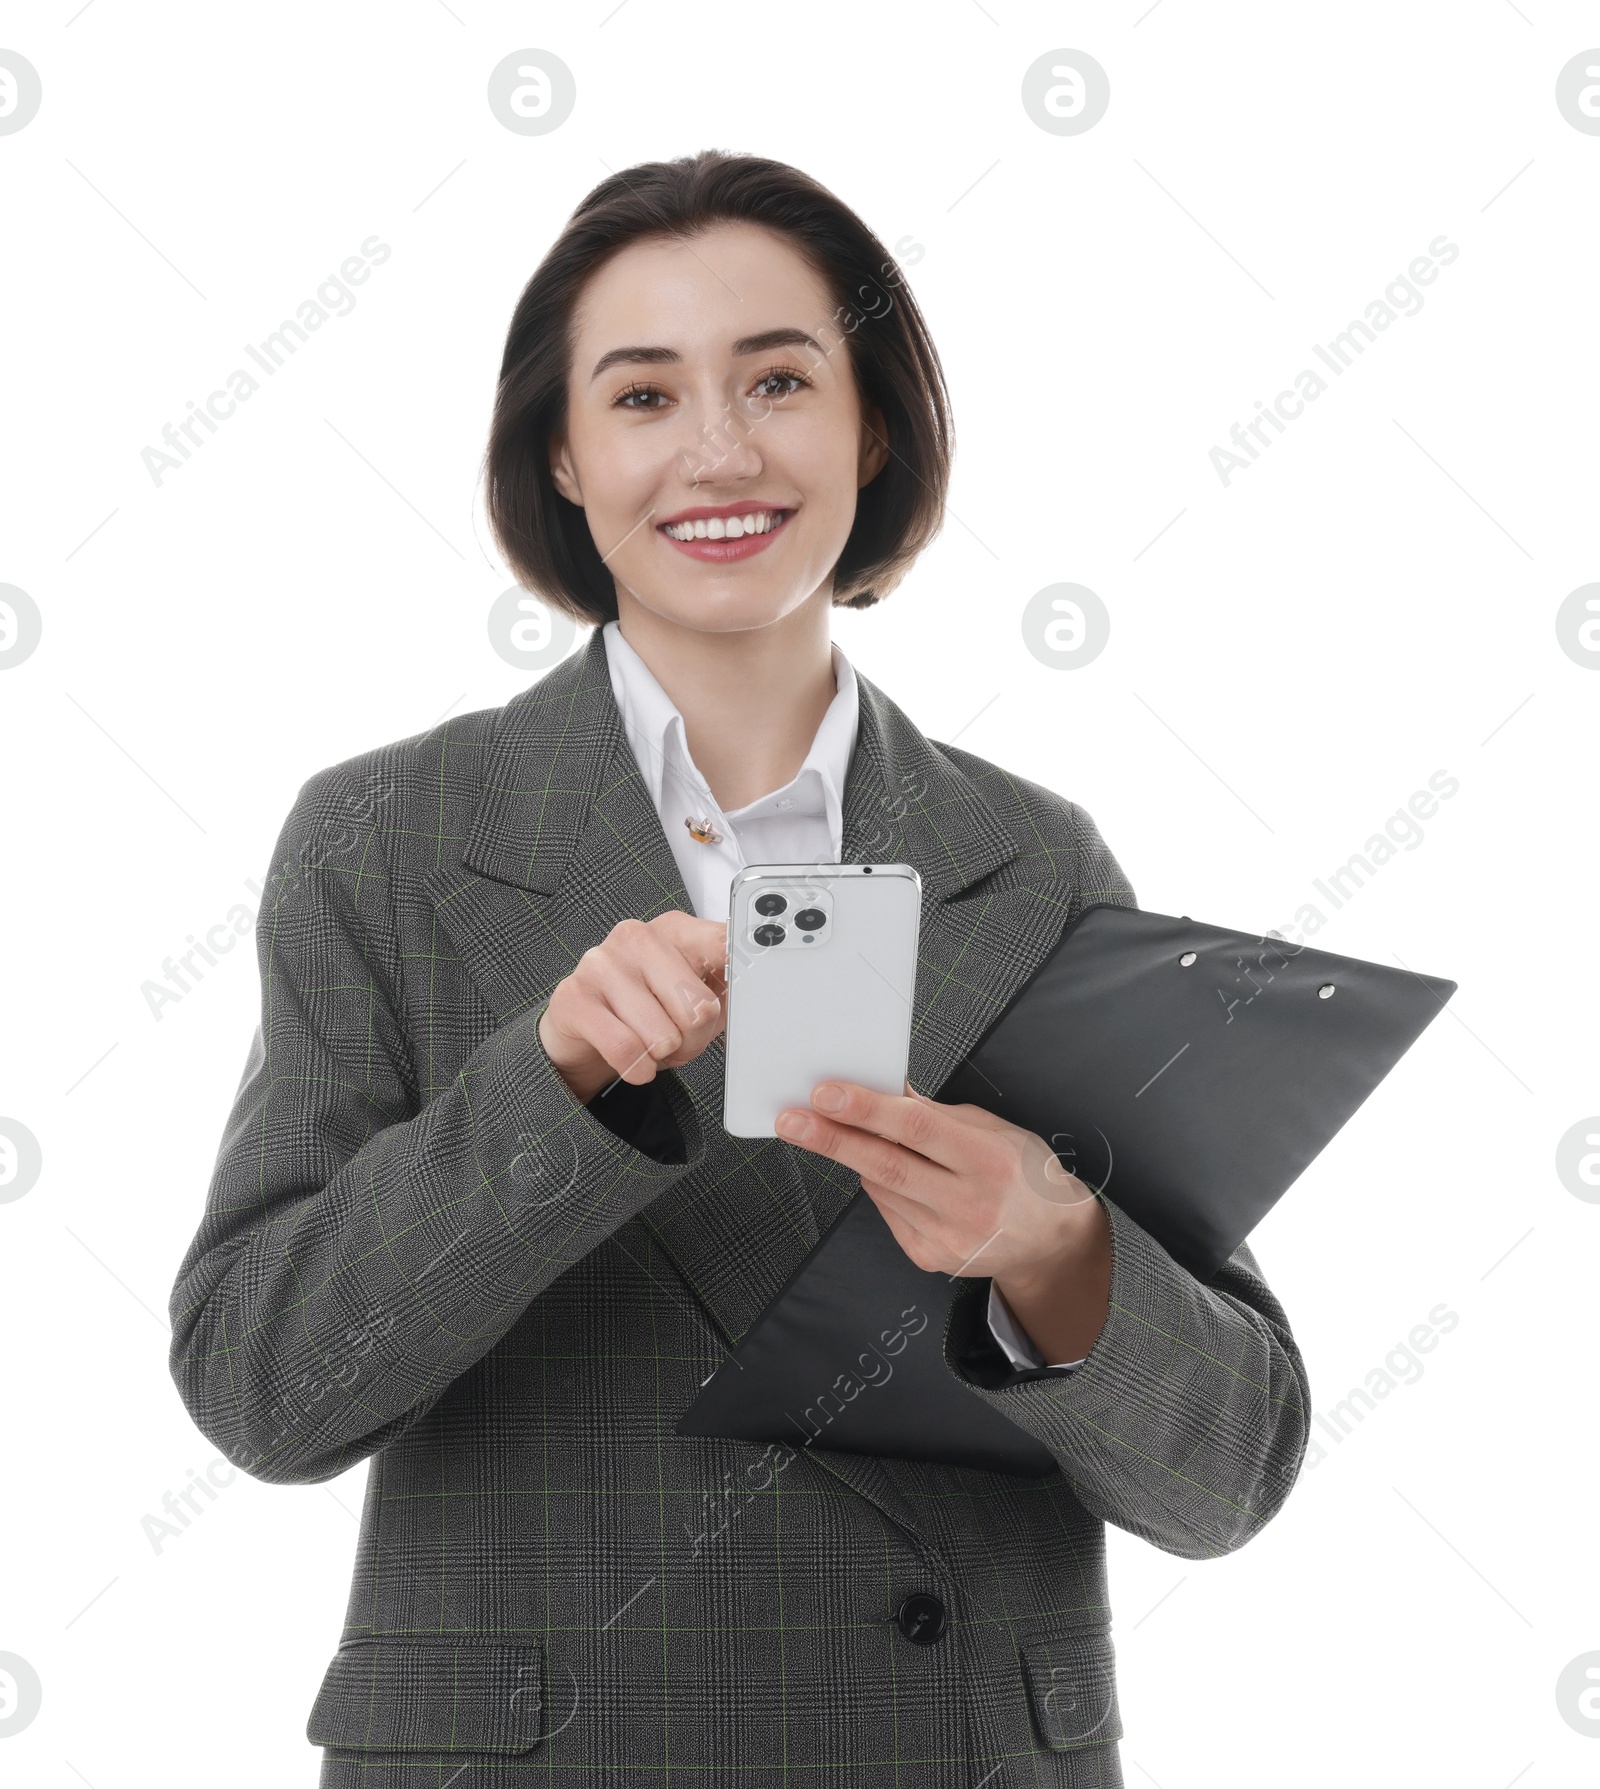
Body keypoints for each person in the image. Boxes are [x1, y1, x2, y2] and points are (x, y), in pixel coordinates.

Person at [167, 149, 1311, 1786]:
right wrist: (542, 1093)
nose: (718, 449)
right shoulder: (387, 840)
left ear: (874, 428)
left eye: (779, 378)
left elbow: (1227, 1471)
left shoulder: (1035, 859)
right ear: (560, 451)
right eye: (642, 395)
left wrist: (1054, 1248)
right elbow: (266, 1390)